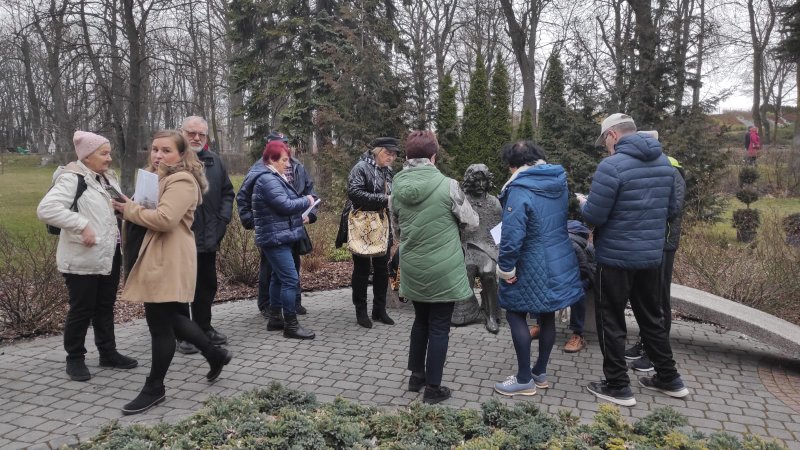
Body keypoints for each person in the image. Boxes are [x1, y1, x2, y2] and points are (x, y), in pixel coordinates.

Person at [113, 130, 232, 415]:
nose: (157, 155)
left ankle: (155, 387)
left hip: (168, 257)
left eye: (166, 150)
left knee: (160, 324)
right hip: (155, 254)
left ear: (181, 154)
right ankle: (215, 354)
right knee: (172, 317)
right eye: (154, 149)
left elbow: (166, 219)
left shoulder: (182, 180)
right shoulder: (155, 178)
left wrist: (129, 210)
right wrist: (128, 208)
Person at [580, 113, 688, 407]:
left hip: (615, 259)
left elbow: (594, 216)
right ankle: (670, 378)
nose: (605, 146)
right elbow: (670, 209)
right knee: (652, 318)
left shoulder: (611, 167)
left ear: (613, 135)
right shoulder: (665, 165)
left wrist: (584, 204)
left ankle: (617, 385)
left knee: (611, 320)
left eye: (604, 140)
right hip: (651, 258)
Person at [37, 131, 138, 381]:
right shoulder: (73, 178)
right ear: (87, 156)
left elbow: (113, 208)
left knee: (104, 307)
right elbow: (46, 209)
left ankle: (108, 353)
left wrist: (130, 208)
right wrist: (82, 225)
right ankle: (75, 359)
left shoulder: (105, 178)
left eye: (109, 153)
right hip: (82, 258)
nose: (109, 158)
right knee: (82, 309)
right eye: (104, 153)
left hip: (109, 254)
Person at [391, 130, 478, 404]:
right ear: (433, 156)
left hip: (413, 264)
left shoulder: (396, 185)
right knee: (439, 326)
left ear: (406, 157)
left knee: (420, 321)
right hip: (444, 268)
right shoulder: (448, 185)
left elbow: (396, 228)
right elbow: (472, 221)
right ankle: (433, 388)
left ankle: (416, 376)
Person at [493, 141, 584, 396]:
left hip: (530, 261)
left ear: (514, 165)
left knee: (514, 314)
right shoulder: (558, 181)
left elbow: (512, 235)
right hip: (558, 257)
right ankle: (539, 373)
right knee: (546, 315)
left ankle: (523, 379)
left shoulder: (520, 189)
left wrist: (506, 269)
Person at [237, 131, 318, 329]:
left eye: (286, 144)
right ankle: (278, 315)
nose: (287, 159)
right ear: (271, 152)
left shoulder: (295, 165)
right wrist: (254, 222)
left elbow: (309, 191)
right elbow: (280, 203)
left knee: (285, 272)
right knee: (282, 274)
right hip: (275, 230)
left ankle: (287, 308)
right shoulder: (263, 173)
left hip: (291, 227)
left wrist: (311, 212)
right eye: (280, 145)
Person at [175, 116, 234, 355]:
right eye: (191, 133)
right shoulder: (172, 160)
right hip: (180, 239)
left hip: (209, 237)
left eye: (201, 134)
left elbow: (228, 193)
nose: (197, 138)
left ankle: (203, 327)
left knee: (206, 286)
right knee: (181, 289)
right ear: (182, 133)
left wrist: (223, 220)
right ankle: (184, 334)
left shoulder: (214, 162)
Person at [626, 155, 686, 371]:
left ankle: (655, 354)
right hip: (650, 241)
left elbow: (673, 206)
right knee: (647, 297)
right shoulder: (655, 165)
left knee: (659, 299)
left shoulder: (671, 169)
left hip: (663, 242)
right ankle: (644, 344)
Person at [345, 137, 400, 328]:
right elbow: (355, 193)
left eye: (394, 154)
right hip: (362, 225)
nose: (391, 157)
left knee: (382, 268)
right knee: (361, 270)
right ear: (377, 151)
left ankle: (379, 310)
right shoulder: (360, 168)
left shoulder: (388, 172)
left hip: (382, 225)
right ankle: (361, 311)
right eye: (388, 153)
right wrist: (384, 199)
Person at [528, 219, 595, 354]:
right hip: (562, 276)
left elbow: (584, 270)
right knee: (539, 286)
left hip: (583, 275)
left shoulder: (572, 246)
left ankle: (578, 334)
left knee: (577, 292)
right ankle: (541, 325)